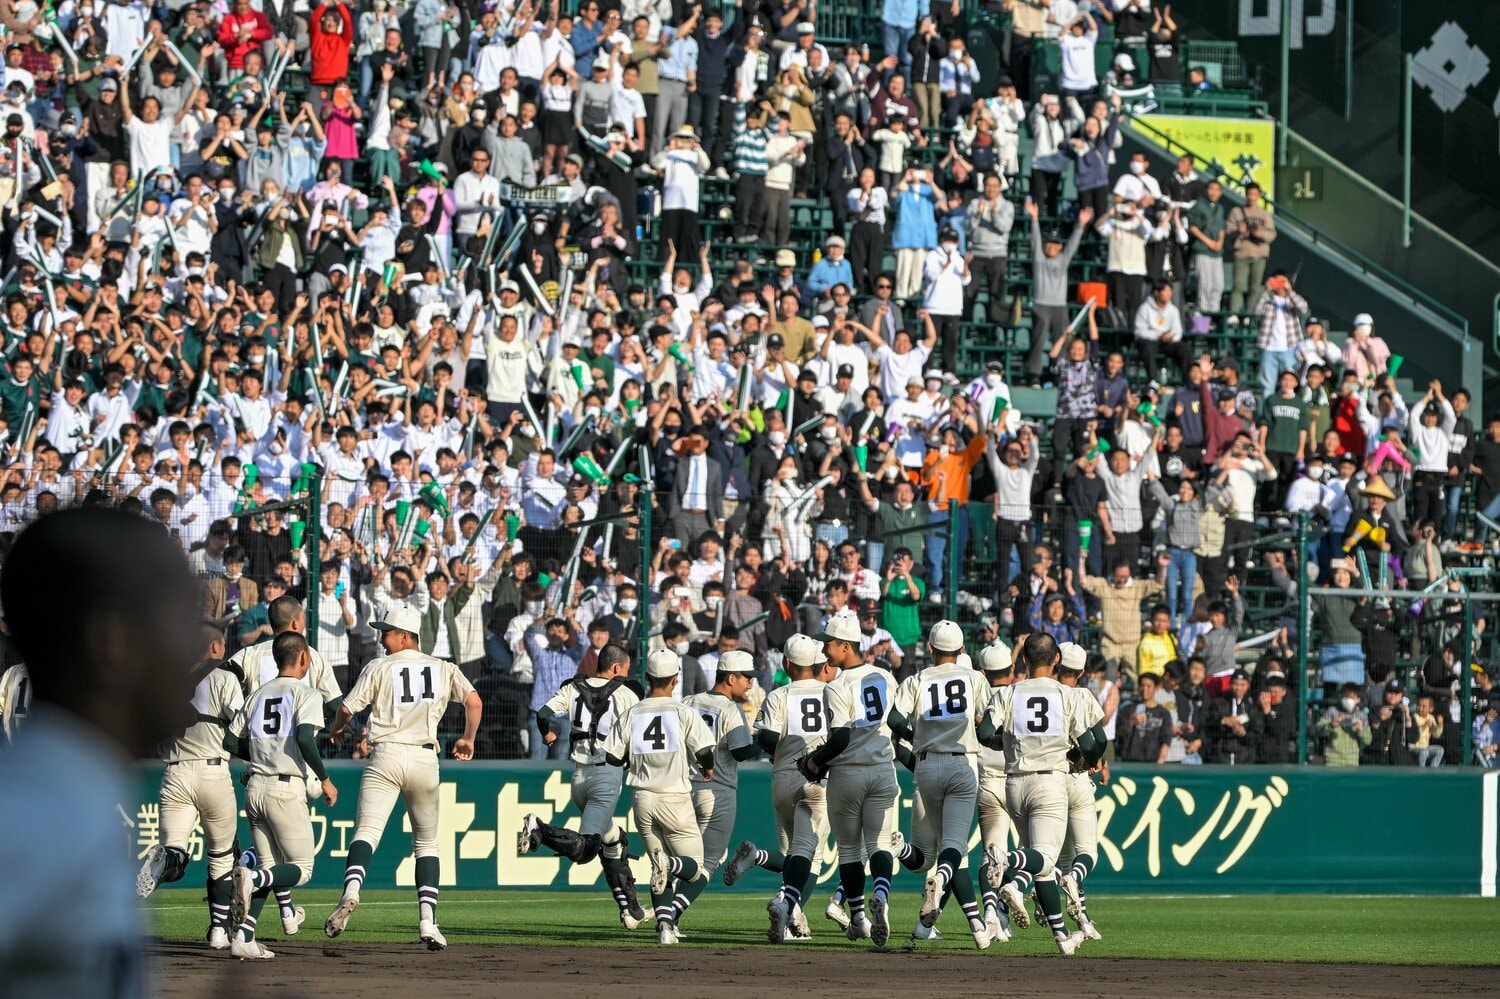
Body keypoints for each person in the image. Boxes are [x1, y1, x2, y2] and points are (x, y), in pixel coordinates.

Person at [0, 508, 201, 992]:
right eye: (184, 617)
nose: (195, 642)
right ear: (114, 640)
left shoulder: (75, 793)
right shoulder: (35, 818)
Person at [323, 606, 481, 950]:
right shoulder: (443, 668)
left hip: (387, 755)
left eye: (388, 632)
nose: (382, 638)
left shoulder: (379, 666)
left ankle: (351, 892)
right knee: (426, 843)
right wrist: (468, 738)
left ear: (406, 635)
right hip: (425, 757)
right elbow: (474, 701)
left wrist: (336, 729)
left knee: (367, 832)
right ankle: (428, 922)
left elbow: (347, 709)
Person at [981, 632, 1103, 955]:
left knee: (1044, 867)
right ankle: (1008, 858)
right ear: (1057, 660)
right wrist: (1084, 761)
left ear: (1023, 660)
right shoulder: (1068, 696)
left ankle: (1062, 937)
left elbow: (984, 733)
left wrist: (1004, 743)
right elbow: (1091, 744)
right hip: (1049, 781)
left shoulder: (1008, 693)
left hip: (1014, 783)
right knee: (1046, 857)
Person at [224, 631, 337, 960]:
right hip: (283, 788)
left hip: (255, 788)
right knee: (302, 868)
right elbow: (305, 737)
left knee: (271, 866)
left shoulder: (259, 693)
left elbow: (230, 742)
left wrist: (260, 753)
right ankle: (253, 876)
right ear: (304, 658)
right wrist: (326, 779)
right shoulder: (306, 693)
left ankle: (244, 936)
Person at [518, 642, 646, 927]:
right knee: (587, 849)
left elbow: (542, 714)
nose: (625, 675)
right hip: (606, 776)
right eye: (624, 670)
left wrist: (547, 735)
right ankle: (540, 828)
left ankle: (631, 910)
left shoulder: (573, 687)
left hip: (578, 777)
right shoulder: (626, 694)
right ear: (616, 668)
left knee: (613, 839)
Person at [135, 624, 247, 950]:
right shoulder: (225, 677)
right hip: (213, 771)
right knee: (222, 856)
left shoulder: (165, 680)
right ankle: (218, 931)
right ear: (216, 646)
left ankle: (162, 860)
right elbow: (240, 727)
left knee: (176, 852)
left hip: (174, 773)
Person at [602, 647, 717, 945]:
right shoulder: (682, 711)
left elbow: (613, 758)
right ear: (675, 679)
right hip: (674, 797)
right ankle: (672, 867)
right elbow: (705, 751)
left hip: (641, 799)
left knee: (657, 867)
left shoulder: (632, 712)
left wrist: (635, 759)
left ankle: (665, 926)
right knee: (696, 867)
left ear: (648, 677)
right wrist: (707, 770)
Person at [888, 620, 992, 949]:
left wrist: (917, 736)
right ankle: (941, 879)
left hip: (927, 765)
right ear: (962, 650)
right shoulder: (975, 678)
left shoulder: (917, 678)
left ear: (930, 649)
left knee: (949, 850)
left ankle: (977, 926)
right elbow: (988, 726)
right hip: (962, 763)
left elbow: (894, 720)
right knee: (954, 849)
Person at [799, 612, 899, 946]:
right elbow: (897, 723)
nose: (825, 650)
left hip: (848, 774)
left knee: (849, 851)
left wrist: (815, 761)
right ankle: (881, 894)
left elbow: (840, 739)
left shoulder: (838, 686)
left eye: (828, 644)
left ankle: (858, 917)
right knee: (880, 844)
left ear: (845, 645)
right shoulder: (885, 676)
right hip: (883, 768)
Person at [731, 634, 834, 943]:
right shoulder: (832, 692)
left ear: (787, 664)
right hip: (818, 779)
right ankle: (787, 910)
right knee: (810, 859)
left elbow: (766, 738)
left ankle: (763, 860)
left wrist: (783, 747)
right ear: (816, 663)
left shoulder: (778, 695)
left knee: (792, 854)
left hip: (783, 777)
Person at [676, 649, 759, 926]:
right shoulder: (730, 709)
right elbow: (741, 752)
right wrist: (770, 740)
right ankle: (669, 917)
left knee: (684, 859)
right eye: (747, 677)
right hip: (717, 790)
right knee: (710, 861)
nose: (751, 683)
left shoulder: (688, 701)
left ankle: (666, 911)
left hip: (685, 789)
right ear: (731, 677)